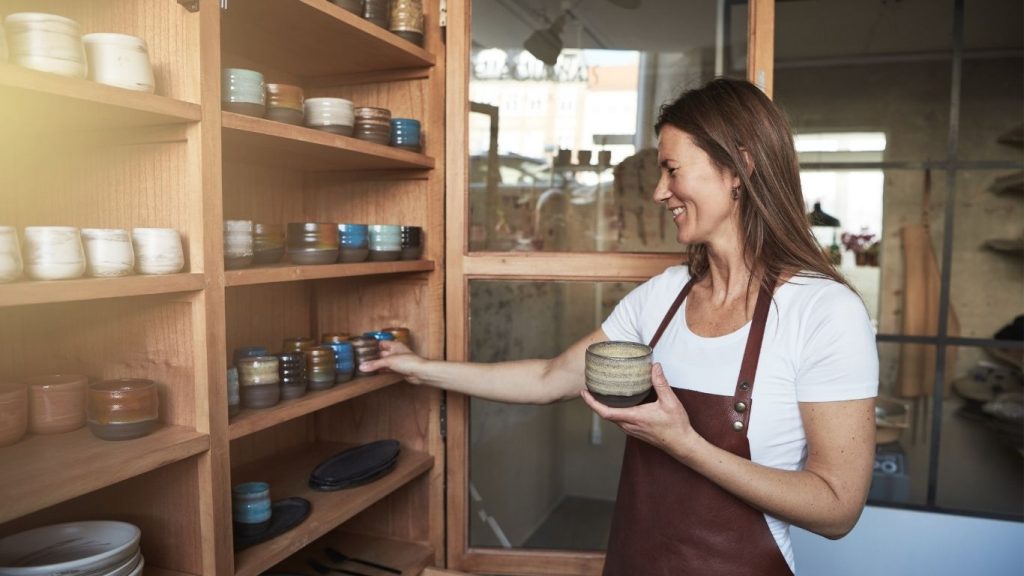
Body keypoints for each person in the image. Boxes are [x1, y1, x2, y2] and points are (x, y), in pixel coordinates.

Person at [360, 77, 879, 576]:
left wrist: (687, 444)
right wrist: (421, 369)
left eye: (672, 170)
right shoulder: (663, 297)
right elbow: (547, 379)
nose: (659, 192)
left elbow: (837, 509)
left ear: (738, 167)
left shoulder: (822, 312)